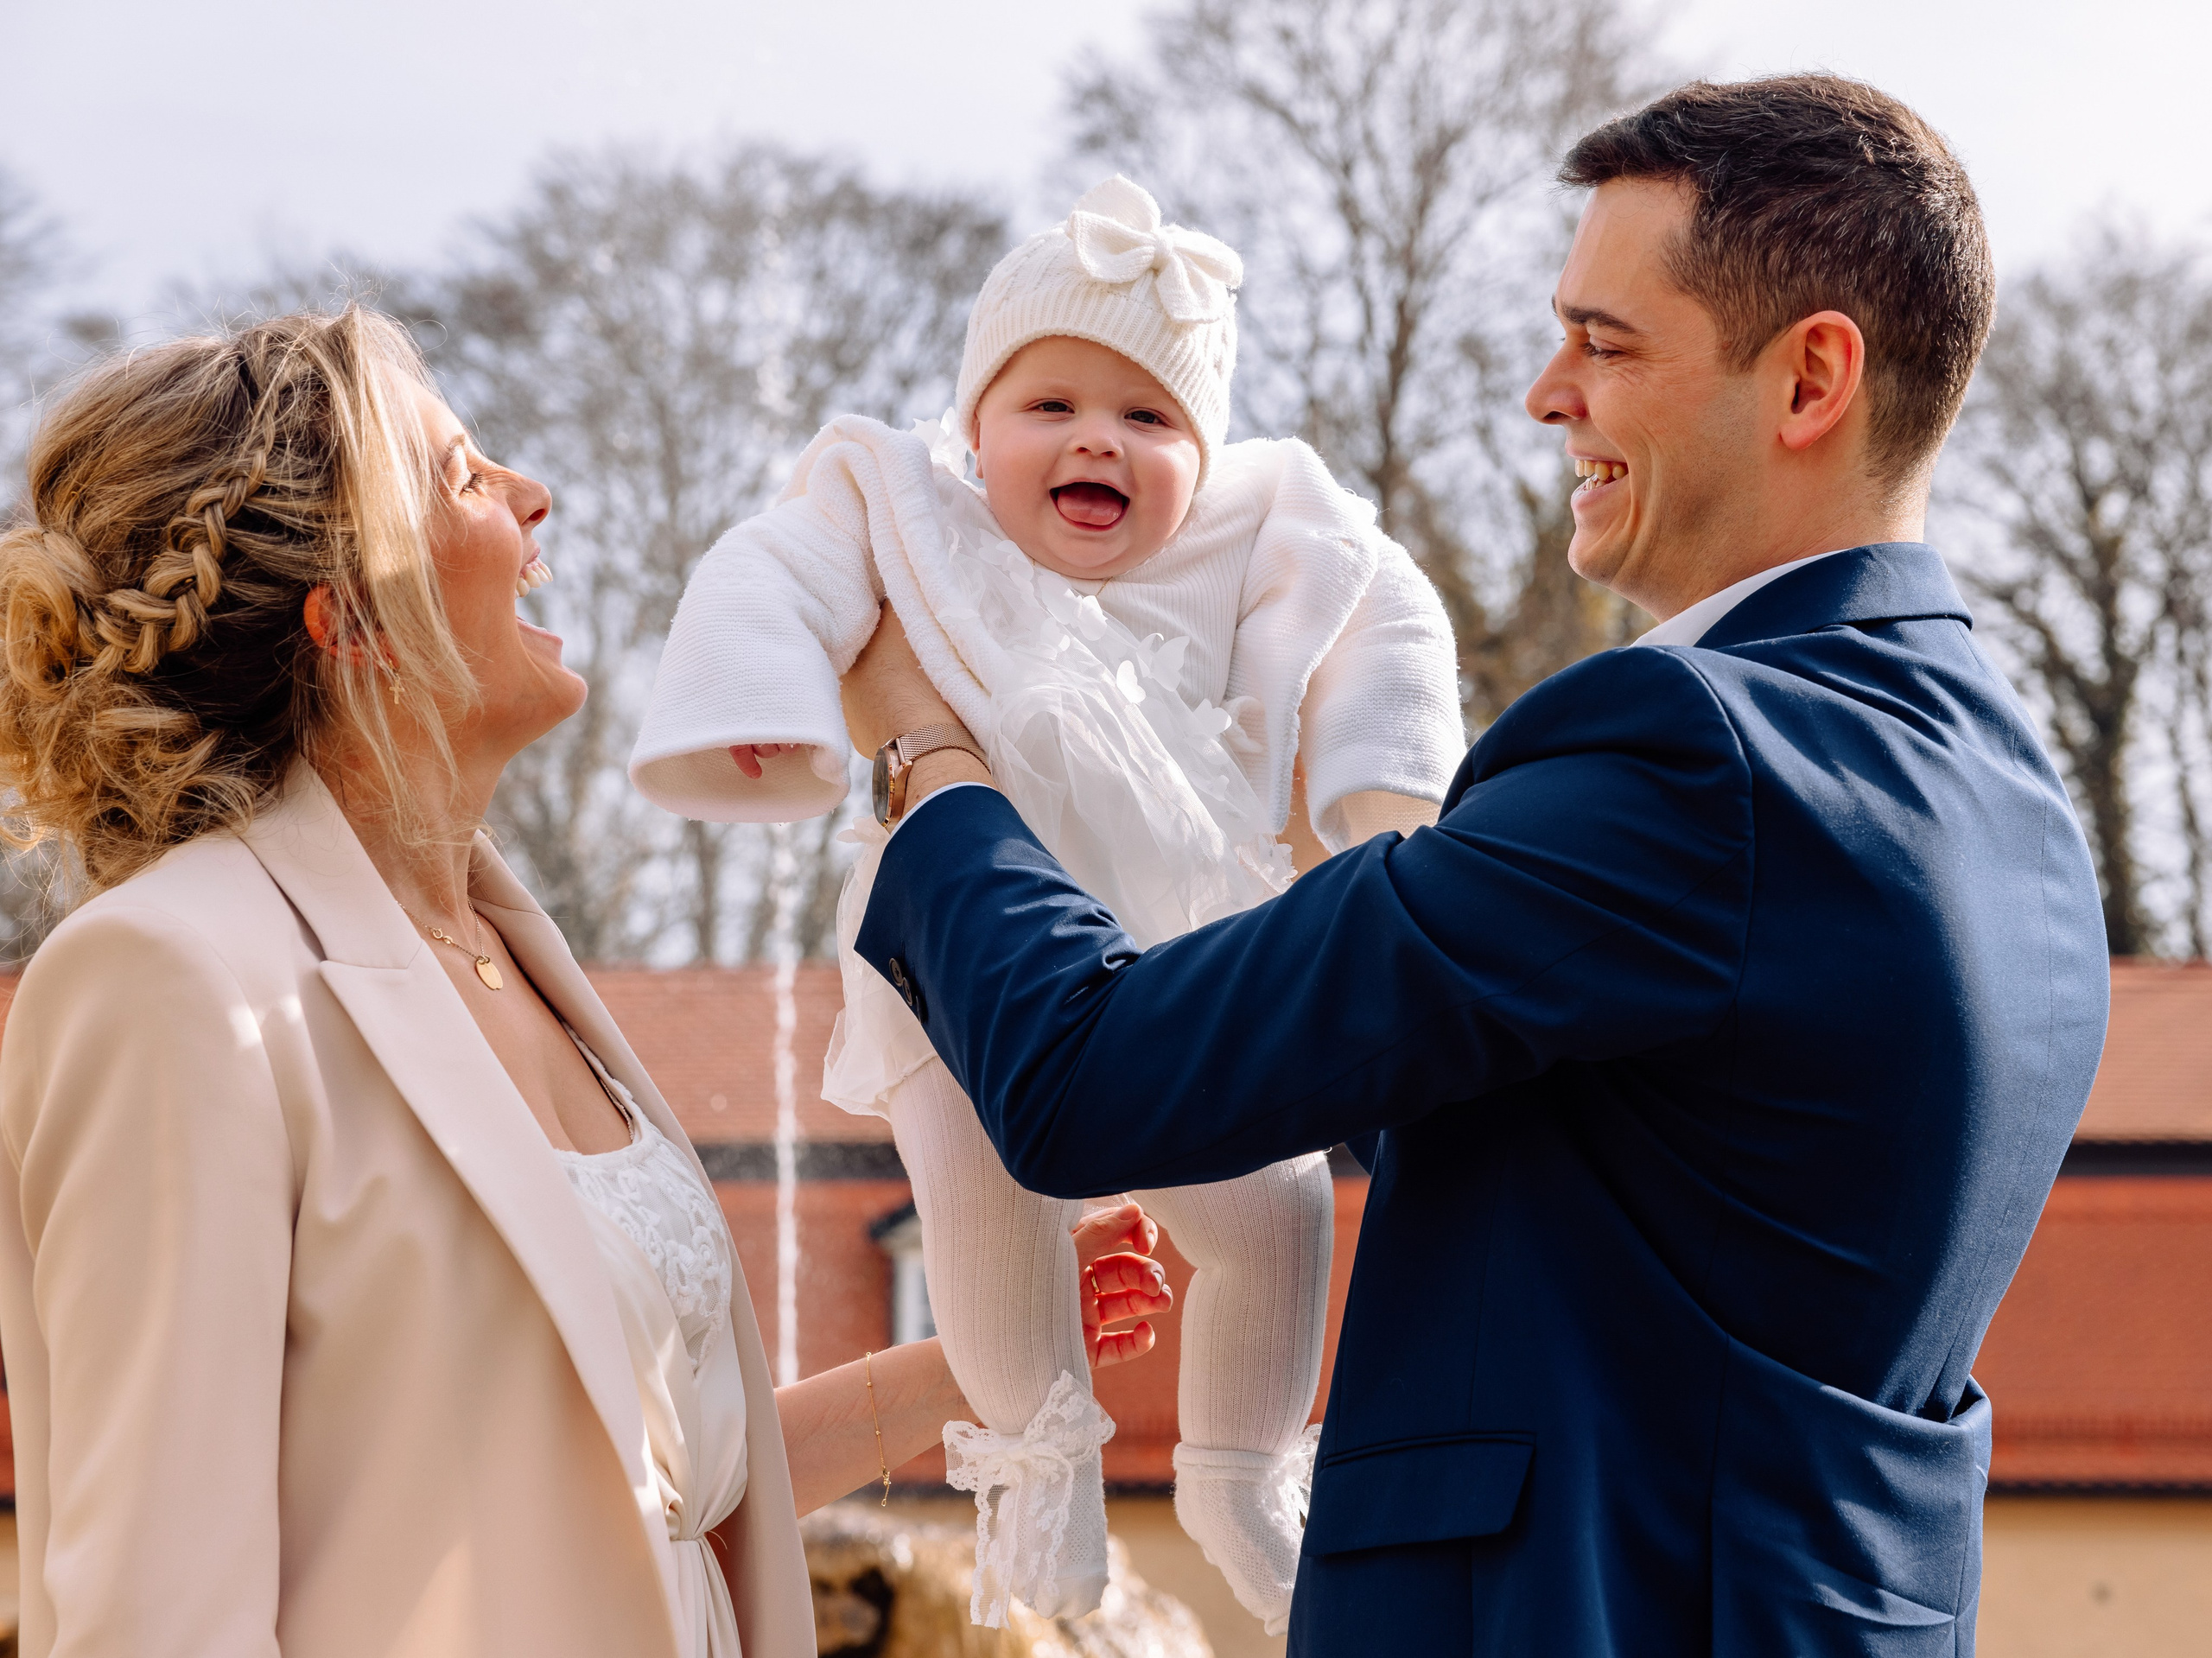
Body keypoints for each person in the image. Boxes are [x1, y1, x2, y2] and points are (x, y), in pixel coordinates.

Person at [835, 74, 2112, 1656]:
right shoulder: (2007, 799)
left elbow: (1082, 1080)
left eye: (1606, 341)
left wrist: (923, 745)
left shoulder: (1694, 758)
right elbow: (1613, 1157)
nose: (1543, 392)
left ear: (1811, 380)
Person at [0, 307, 1171, 1658]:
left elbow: (652, 1507)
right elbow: (155, 1616)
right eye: (461, 474)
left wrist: (989, 1349)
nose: (533, 495)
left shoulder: (517, 956)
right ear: (355, 621)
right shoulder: (168, 978)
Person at [628, 175, 1463, 1631]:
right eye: (1050, 406)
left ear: (1203, 457)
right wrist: (757, 713)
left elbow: (1380, 607)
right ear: (974, 431)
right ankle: (1034, 1480)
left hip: (1184, 961)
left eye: (1152, 421)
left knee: (1275, 1213)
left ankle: (1241, 1475)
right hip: (959, 966)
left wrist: (1384, 795)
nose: (1100, 438)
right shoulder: (906, 508)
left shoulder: (1263, 525)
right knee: (982, 1203)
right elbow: (776, 570)